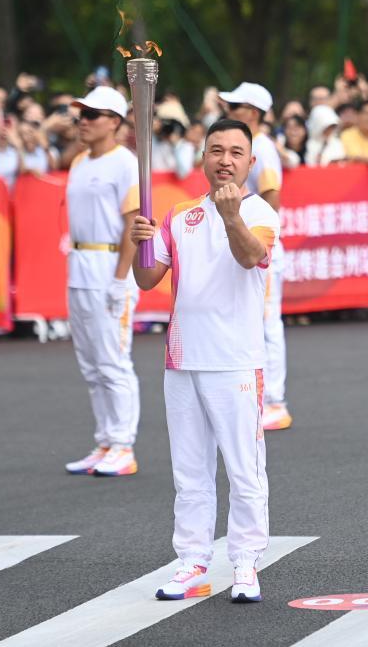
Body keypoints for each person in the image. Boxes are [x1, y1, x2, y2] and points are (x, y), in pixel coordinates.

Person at [130, 118, 279, 603]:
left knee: (243, 469)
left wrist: (231, 217)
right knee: (189, 471)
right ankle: (192, 561)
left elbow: (250, 257)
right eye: (216, 150)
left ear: (250, 162)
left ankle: (245, 562)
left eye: (236, 152)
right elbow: (147, 278)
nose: (225, 160)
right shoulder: (180, 215)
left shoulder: (260, 213)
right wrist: (139, 243)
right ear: (203, 157)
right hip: (183, 360)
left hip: (235, 361)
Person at [62, 86, 142, 477]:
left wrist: (120, 280)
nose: (84, 121)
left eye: (92, 115)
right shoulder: (79, 162)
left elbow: (132, 225)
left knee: (113, 361)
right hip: (79, 265)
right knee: (91, 365)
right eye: (81, 114)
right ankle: (106, 440)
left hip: (110, 266)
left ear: (114, 122)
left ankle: (124, 445)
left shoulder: (125, 163)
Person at [219, 82, 293, 431]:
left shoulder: (261, 147)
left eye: (234, 107)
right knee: (249, 322)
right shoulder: (248, 145)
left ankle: (275, 401)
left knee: (266, 324)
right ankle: (256, 397)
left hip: (261, 247)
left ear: (252, 112)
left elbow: (271, 195)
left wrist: (260, 237)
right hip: (244, 244)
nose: (228, 112)